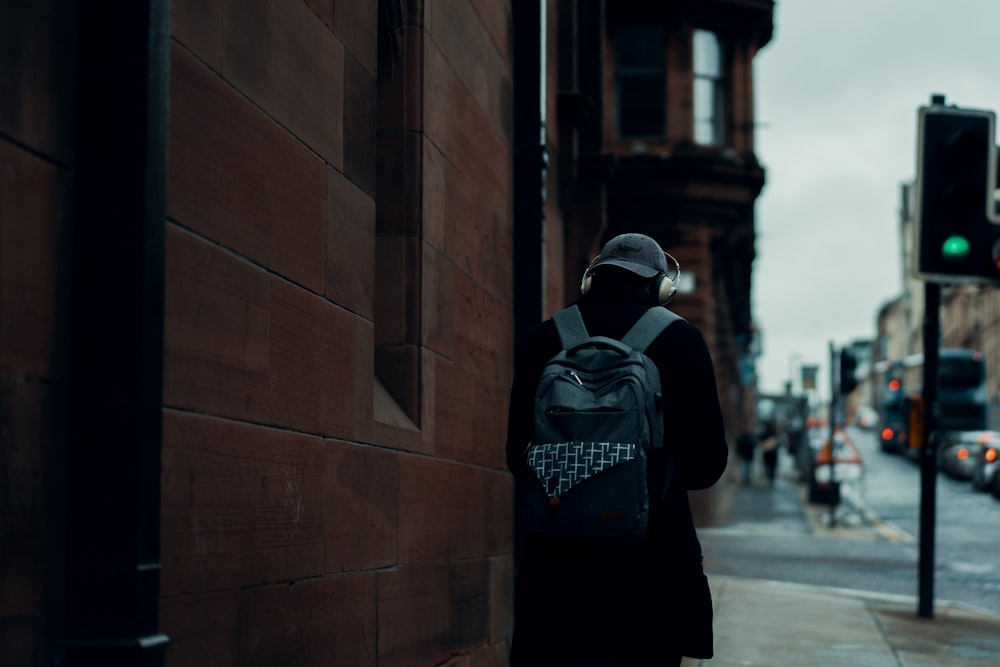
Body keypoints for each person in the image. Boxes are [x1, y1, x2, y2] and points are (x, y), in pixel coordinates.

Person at [505, 233, 729, 666]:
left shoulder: (544, 338)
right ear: (661, 287)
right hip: (650, 567)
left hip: (556, 567)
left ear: (591, 280)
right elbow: (707, 467)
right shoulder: (683, 341)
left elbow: (518, 457)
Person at [759, 420, 780, 485]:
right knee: (772, 465)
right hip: (772, 452)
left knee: (767, 464)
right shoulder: (774, 433)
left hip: (767, 452)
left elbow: (760, 440)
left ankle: (769, 475)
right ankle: (771, 476)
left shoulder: (765, 433)